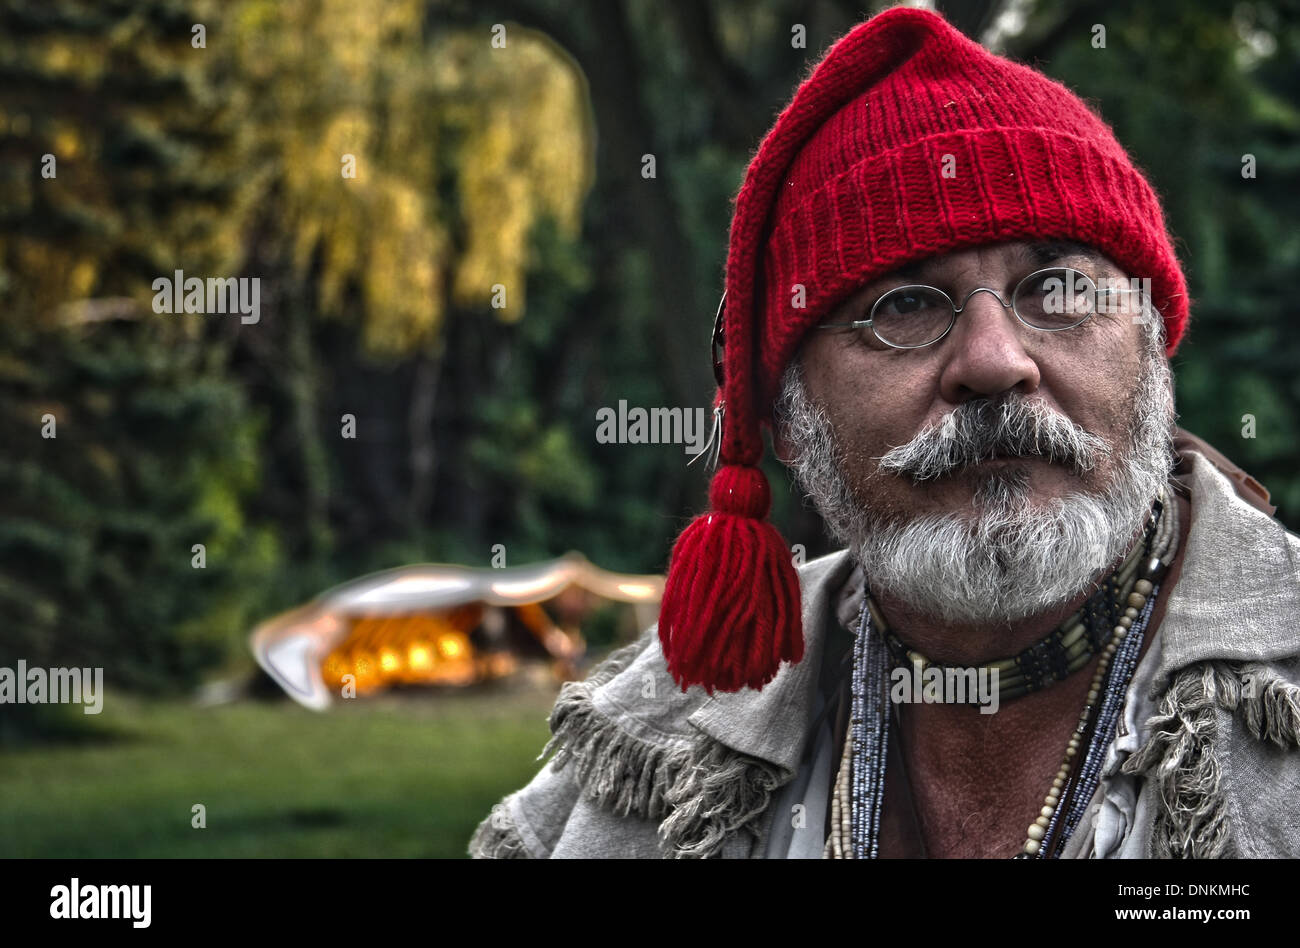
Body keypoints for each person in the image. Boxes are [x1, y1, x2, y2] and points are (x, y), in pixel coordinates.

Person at [469, 5, 1300, 859]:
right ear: (787, 421)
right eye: (902, 306)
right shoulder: (655, 738)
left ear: (1152, 350)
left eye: (1058, 287)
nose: (993, 361)